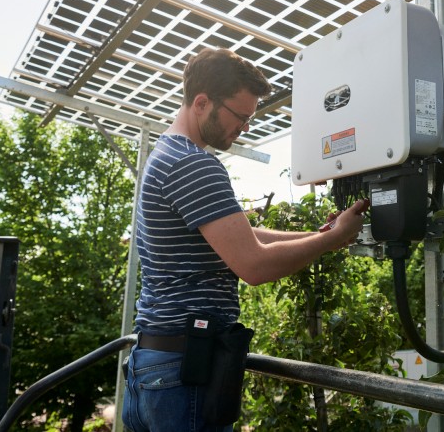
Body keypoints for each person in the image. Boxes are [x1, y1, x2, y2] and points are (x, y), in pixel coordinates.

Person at [122, 47, 368, 432]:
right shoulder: (194, 164)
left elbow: (240, 236)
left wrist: (320, 233)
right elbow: (253, 265)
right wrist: (331, 242)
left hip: (157, 364)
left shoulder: (167, 155)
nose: (246, 128)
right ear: (202, 103)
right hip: (184, 372)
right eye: (241, 116)